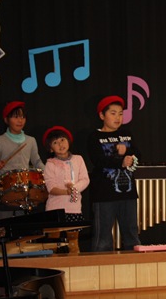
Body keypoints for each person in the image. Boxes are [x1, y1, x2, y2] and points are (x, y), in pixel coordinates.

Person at [87, 96, 142, 251]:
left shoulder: (126, 134)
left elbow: (138, 154)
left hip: (128, 193)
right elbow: (98, 160)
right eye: (113, 113)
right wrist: (120, 161)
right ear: (102, 115)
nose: (117, 117)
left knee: (132, 236)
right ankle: (100, 265)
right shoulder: (94, 137)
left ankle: (134, 264)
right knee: (103, 239)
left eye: (120, 114)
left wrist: (128, 152)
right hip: (104, 194)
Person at [0, 101, 45, 217]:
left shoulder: (30, 140)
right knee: (5, 222)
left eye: (23, 117)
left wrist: (48, 172)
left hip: (25, 189)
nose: (20, 120)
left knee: (23, 223)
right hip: (5, 189)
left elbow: (37, 161)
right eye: (16, 117)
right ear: (6, 120)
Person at [43, 126, 90, 253]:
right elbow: (50, 187)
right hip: (55, 209)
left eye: (62, 140)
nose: (60, 144)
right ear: (50, 148)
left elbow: (85, 179)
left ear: (68, 141)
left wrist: (74, 189)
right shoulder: (50, 164)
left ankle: (74, 261)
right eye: (55, 142)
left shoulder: (78, 159)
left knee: (73, 242)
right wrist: (66, 192)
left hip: (73, 208)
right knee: (53, 243)